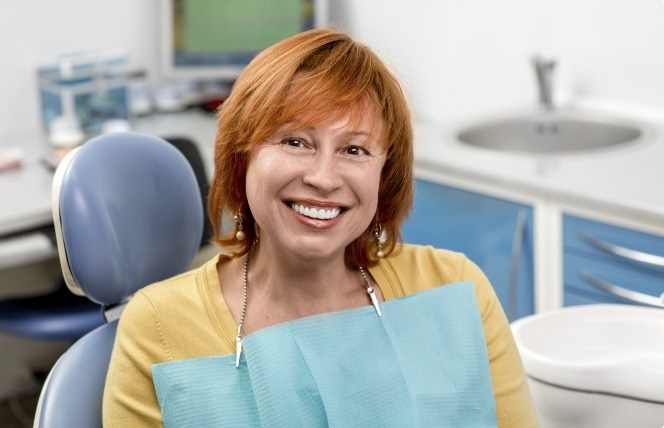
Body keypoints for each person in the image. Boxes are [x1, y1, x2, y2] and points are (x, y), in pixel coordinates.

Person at [103, 28, 539, 427]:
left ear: (384, 176)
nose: (325, 178)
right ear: (242, 157)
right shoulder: (158, 328)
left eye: (354, 149)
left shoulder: (456, 289)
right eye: (295, 141)